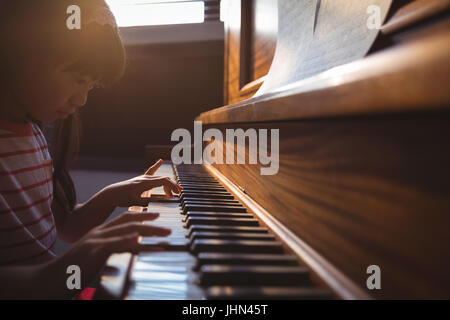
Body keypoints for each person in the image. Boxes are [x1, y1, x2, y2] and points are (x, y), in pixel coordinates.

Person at [0, 0, 181, 299]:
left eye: (91, 86)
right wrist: (60, 270)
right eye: (79, 79)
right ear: (23, 50)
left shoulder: (32, 134)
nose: (82, 99)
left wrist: (113, 195)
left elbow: (65, 227)